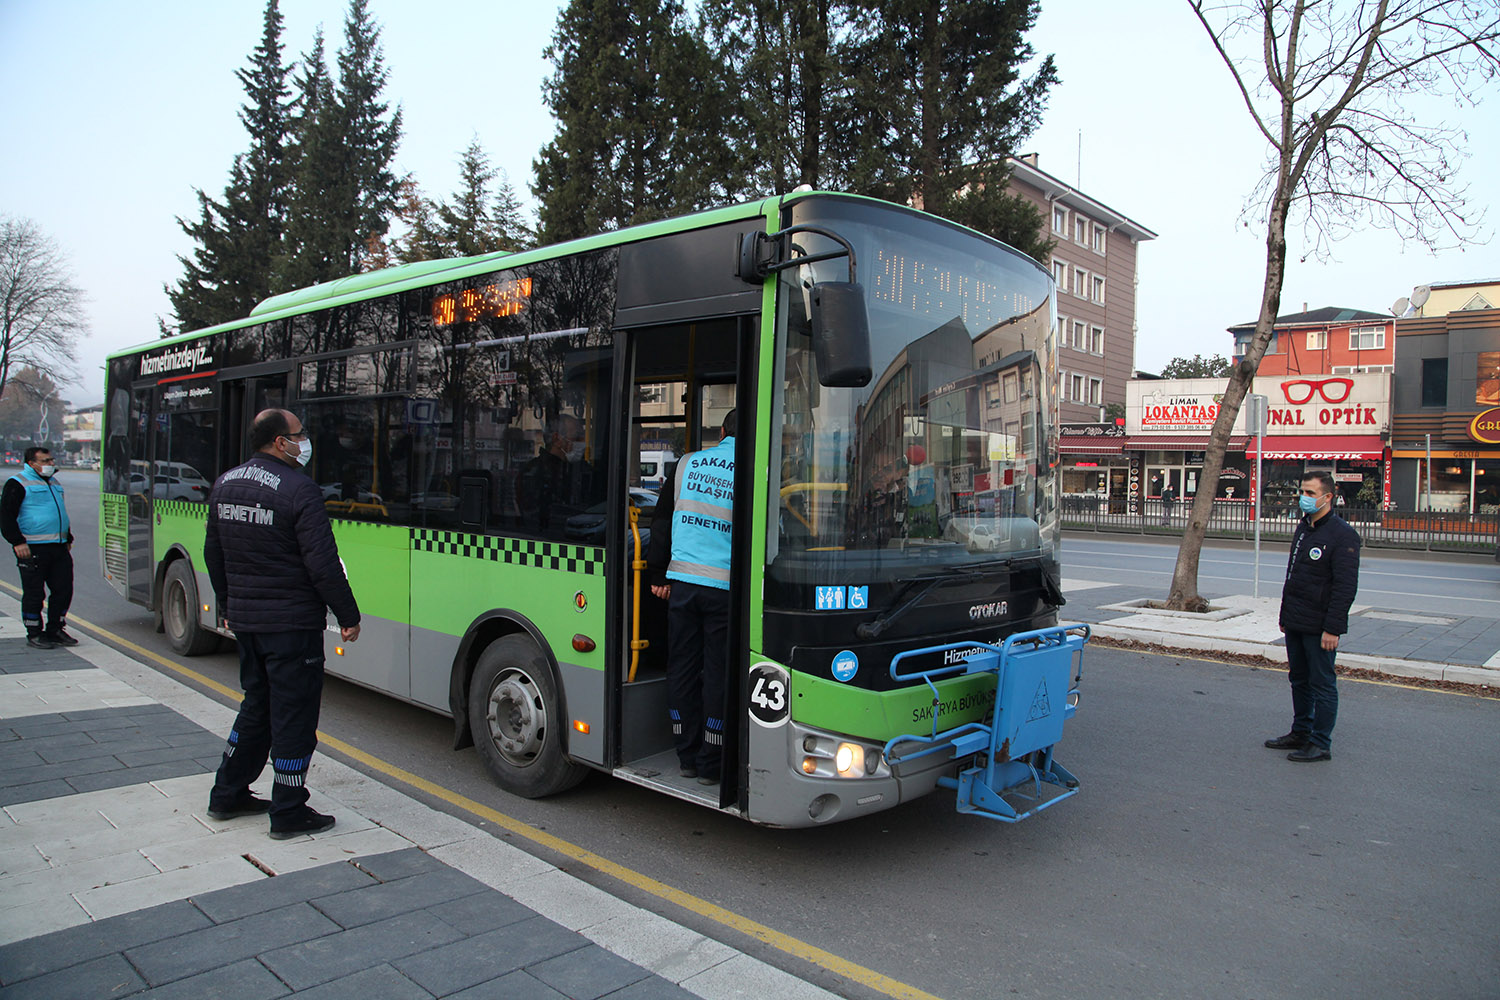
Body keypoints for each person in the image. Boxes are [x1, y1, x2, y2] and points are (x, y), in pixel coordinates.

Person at [204, 409, 361, 837]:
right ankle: (289, 809)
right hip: (292, 626)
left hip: (248, 624)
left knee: (257, 705)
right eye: (299, 435)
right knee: (293, 716)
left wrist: (228, 604)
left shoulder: (225, 484)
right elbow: (323, 565)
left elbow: (213, 555)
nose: (304, 441)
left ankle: (228, 792)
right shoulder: (299, 490)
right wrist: (347, 615)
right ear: (279, 442)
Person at [648, 411, 736, 786]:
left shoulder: (686, 465)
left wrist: (657, 573)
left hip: (682, 585)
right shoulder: (749, 470)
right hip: (724, 590)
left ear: (720, 433)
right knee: (717, 673)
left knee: (682, 668)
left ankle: (686, 754)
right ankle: (711, 761)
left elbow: (662, 520)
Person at [1265, 471, 1360, 763]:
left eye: (1309, 493)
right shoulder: (1304, 528)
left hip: (1320, 626)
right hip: (1296, 619)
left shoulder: (1343, 535)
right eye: (1302, 492)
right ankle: (1301, 731)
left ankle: (1320, 743)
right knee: (1299, 680)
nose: (1303, 498)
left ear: (1327, 497)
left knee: (1322, 684)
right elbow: (1293, 575)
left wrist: (1333, 628)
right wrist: (1284, 615)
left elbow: (1345, 588)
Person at [1, 447, 76, 648]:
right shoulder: (17, 483)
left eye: (51, 460)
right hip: (32, 548)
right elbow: (6, 517)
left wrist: (67, 537)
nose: (51, 464)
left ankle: (55, 629)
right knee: (35, 593)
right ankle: (34, 632)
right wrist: (18, 542)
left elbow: (60, 512)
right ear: (31, 463)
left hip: (58, 548)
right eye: (46, 461)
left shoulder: (54, 483)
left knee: (64, 590)